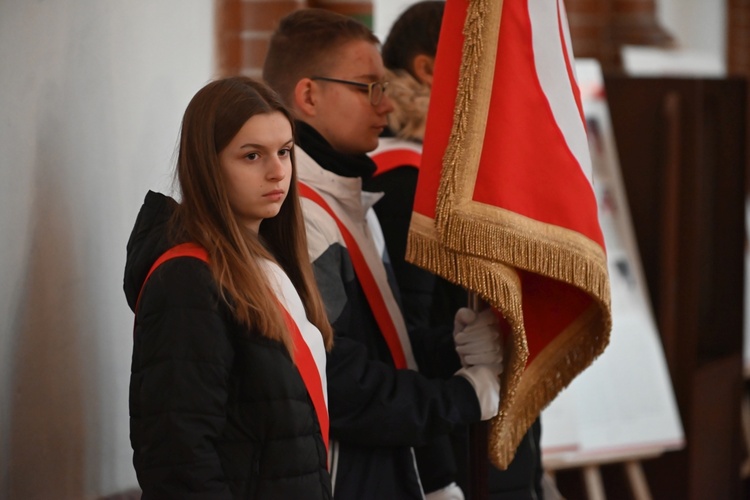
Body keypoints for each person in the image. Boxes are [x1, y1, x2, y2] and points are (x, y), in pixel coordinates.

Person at [263, 8, 503, 500]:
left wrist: (450, 347)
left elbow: (387, 348)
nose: (387, 104)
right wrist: (458, 398)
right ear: (308, 95)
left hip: (391, 470)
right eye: (368, 87)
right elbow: (340, 380)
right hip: (343, 477)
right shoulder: (297, 220)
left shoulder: (351, 200)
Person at [366, 2, 546, 498]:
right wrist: (440, 475)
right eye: (487, 60)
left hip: (497, 433)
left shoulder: (457, 171)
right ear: (428, 68)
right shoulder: (409, 182)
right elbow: (403, 343)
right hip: (461, 444)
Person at [123, 77, 334, 499]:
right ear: (207, 164)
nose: (277, 171)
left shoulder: (265, 265)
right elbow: (178, 458)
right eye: (252, 155)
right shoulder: (187, 281)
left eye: (284, 152)